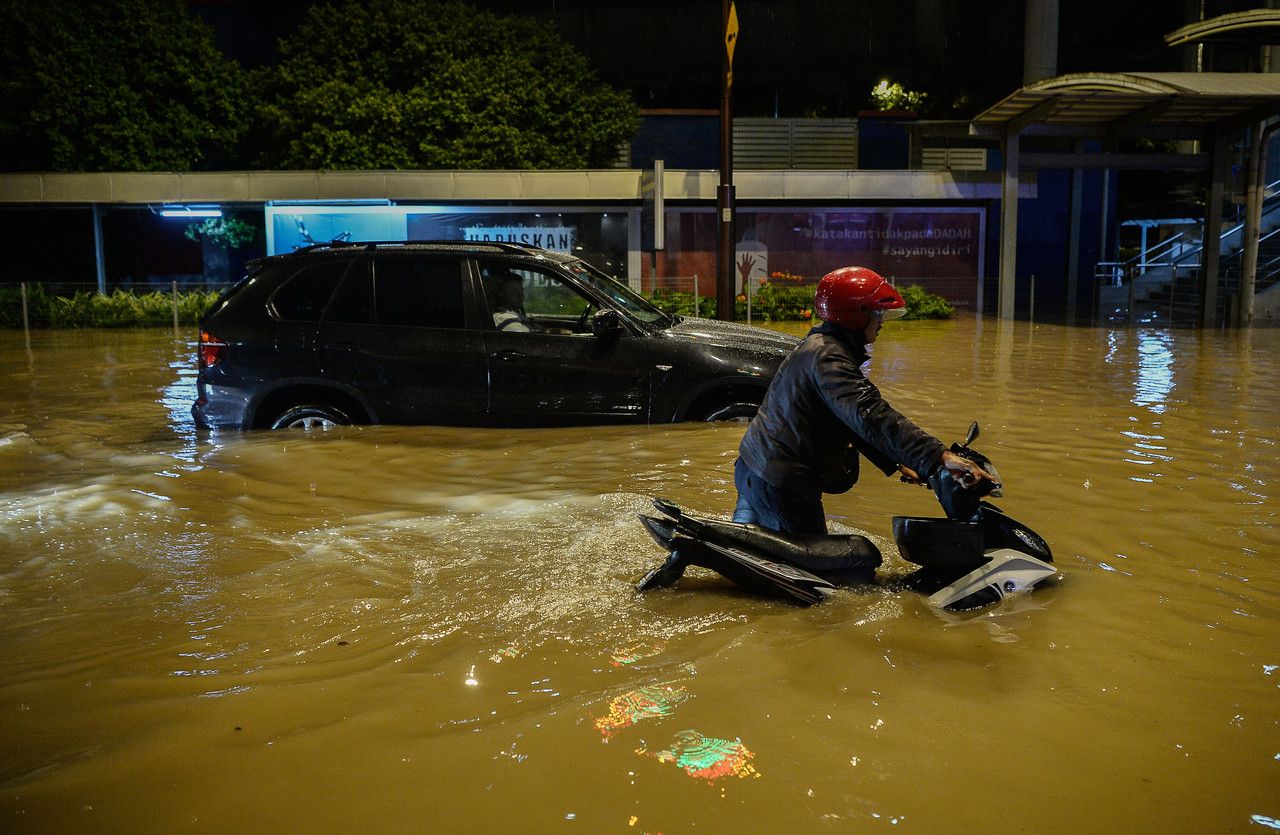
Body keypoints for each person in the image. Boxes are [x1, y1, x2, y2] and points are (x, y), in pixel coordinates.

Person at [731, 266, 995, 535]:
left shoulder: (819, 345)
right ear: (856, 317)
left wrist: (898, 462)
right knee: (825, 573)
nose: (881, 322)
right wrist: (940, 456)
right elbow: (871, 416)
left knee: (750, 556)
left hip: (754, 468)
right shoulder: (830, 360)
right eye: (877, 314)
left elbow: (844, 418)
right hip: (781, 484)